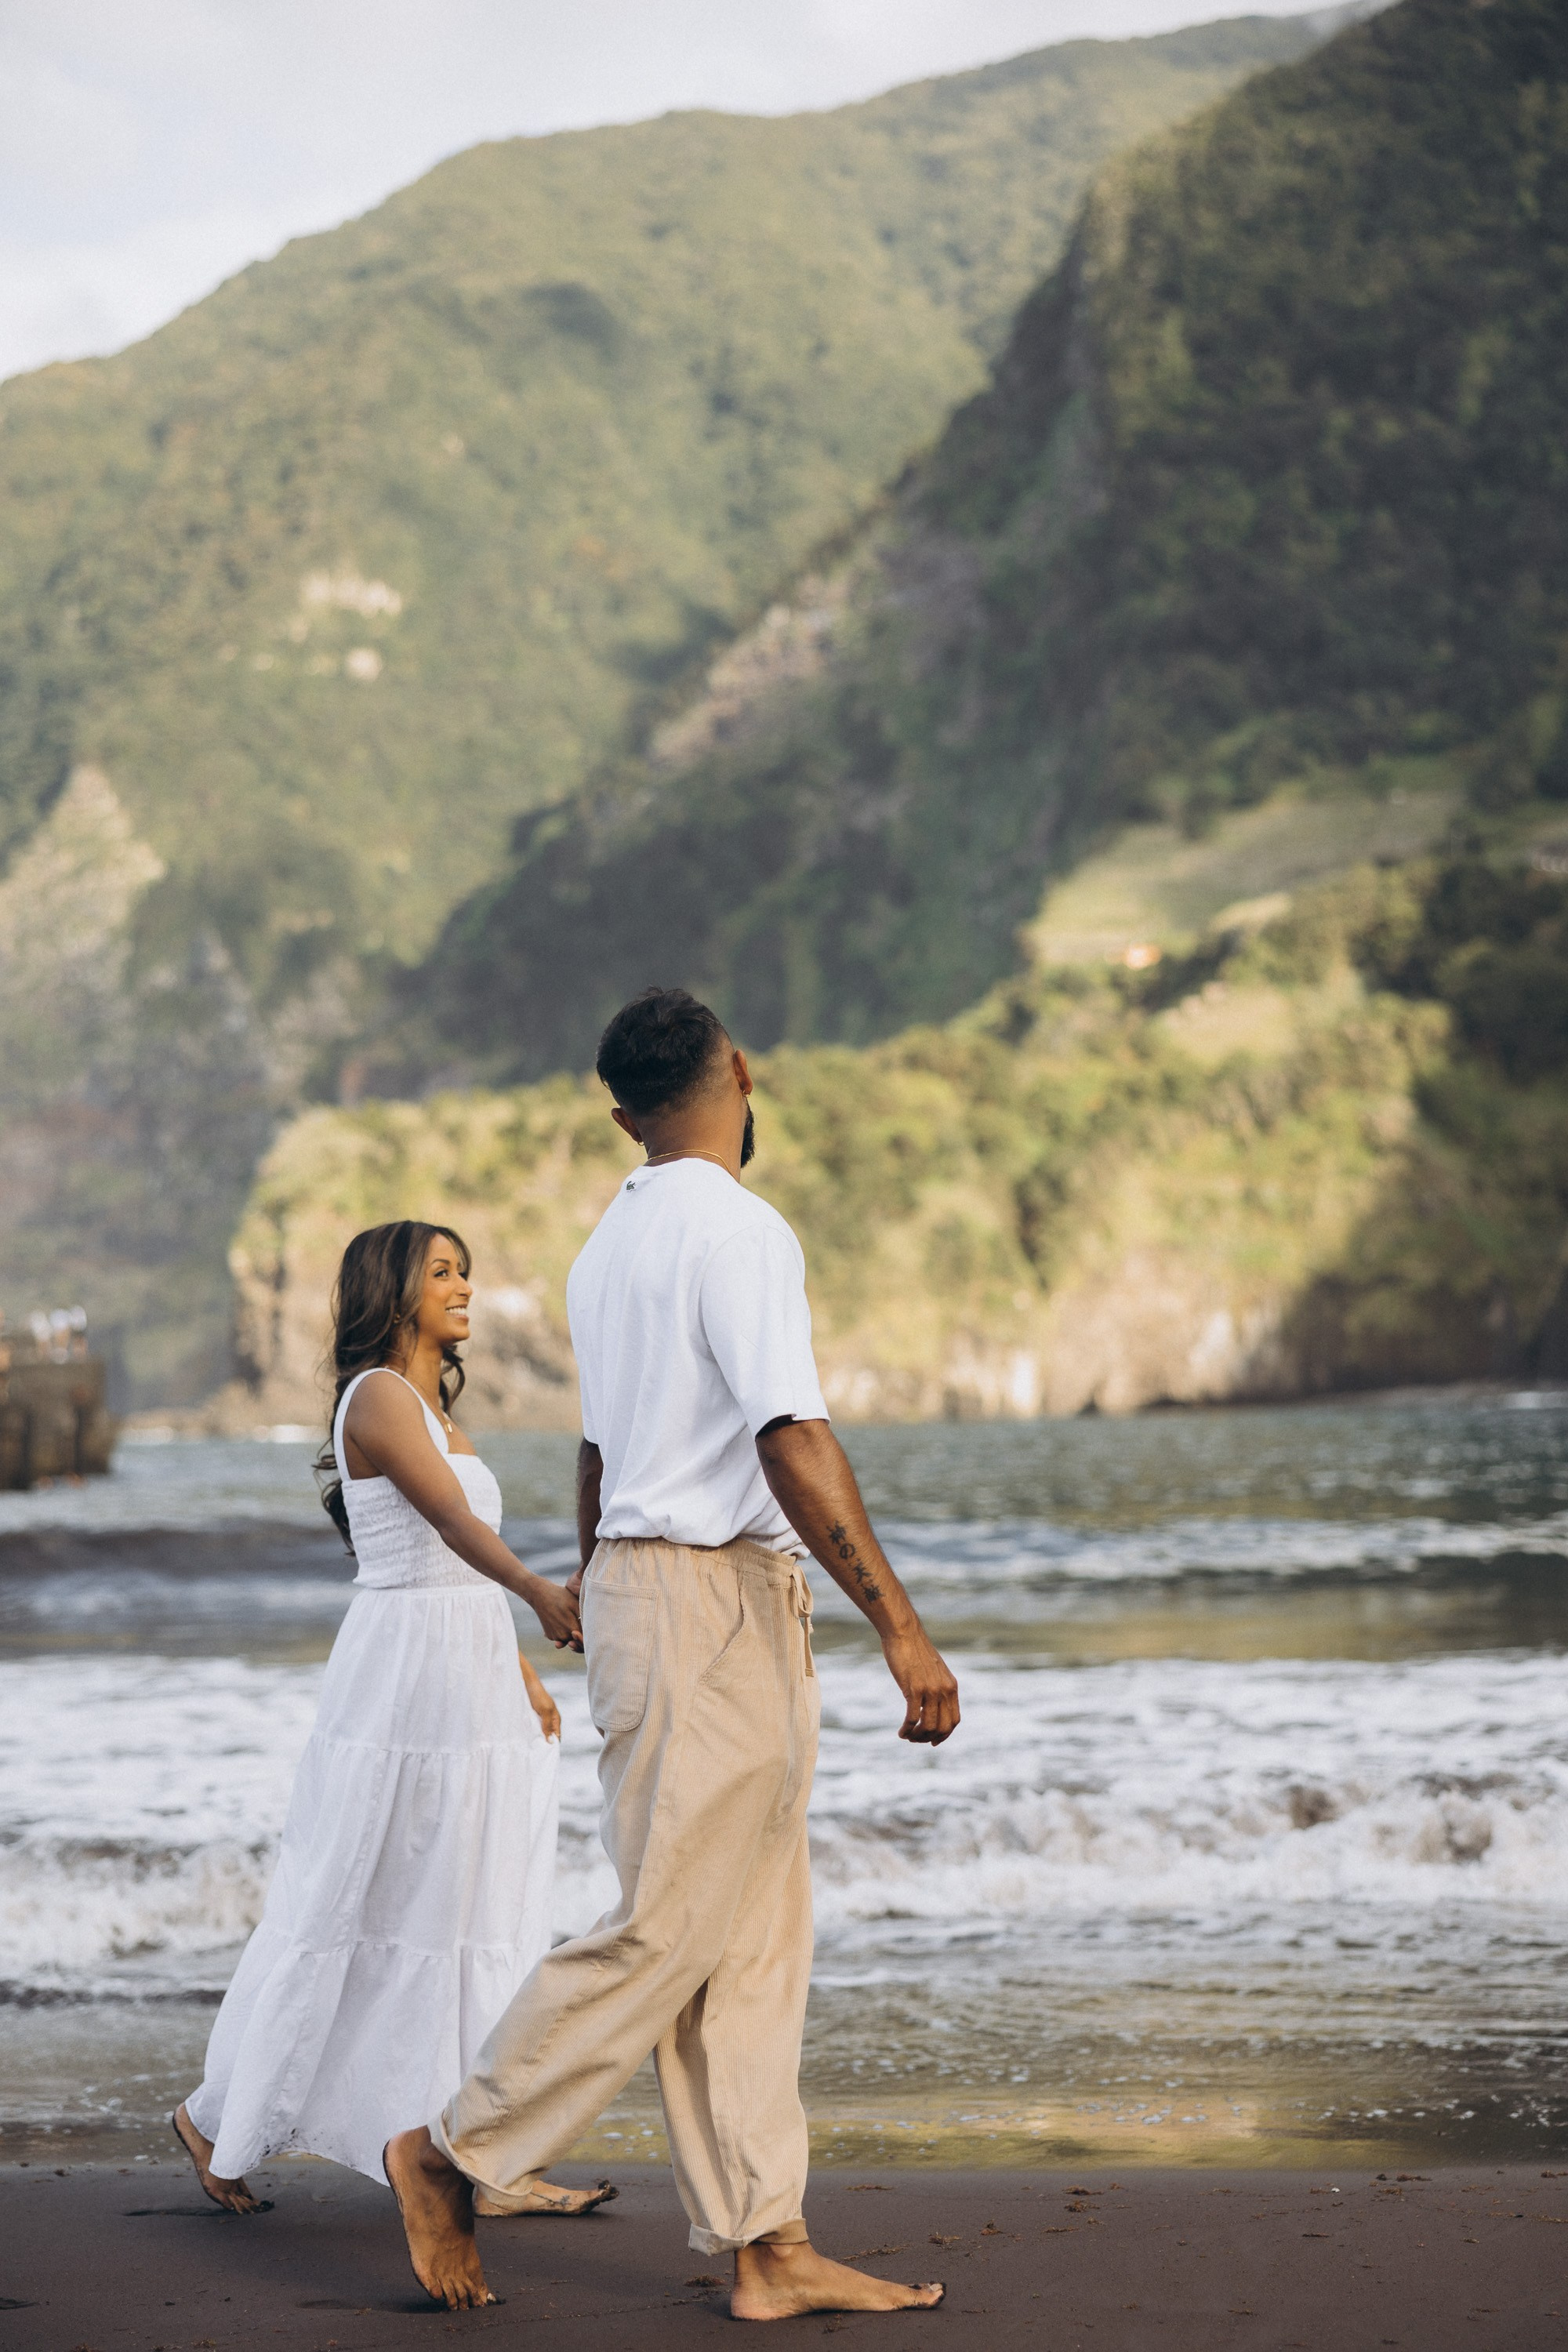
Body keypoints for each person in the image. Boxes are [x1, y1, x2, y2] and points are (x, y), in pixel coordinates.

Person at [386, 989, 960, 2321]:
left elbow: (601, 1446)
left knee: (749, 1939)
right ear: (741, 1074)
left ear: (622, 1115)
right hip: (708, 1601)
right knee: (666, 1928)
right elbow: (789, 1435)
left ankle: (770, 2245)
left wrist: (600, 1578)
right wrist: (902, 1627)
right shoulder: (740, 1229)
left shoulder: (612, 1244)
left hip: (667, 1592)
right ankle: (454, 2147)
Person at [173, 1219, 611, 2221]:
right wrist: (542, 1596)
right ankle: (215, 2116)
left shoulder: (437, 1414)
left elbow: (458, 1557)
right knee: (353, 1901)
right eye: (443, 1272)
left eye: (466, 1270)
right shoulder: (376, 1398)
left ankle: (475, 2150)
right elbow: (452, 1526)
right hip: (403, 1680)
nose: (465, 1287)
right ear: (395, 1289)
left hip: (465, 1674)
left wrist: (518, 1672)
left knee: (460, 1908)